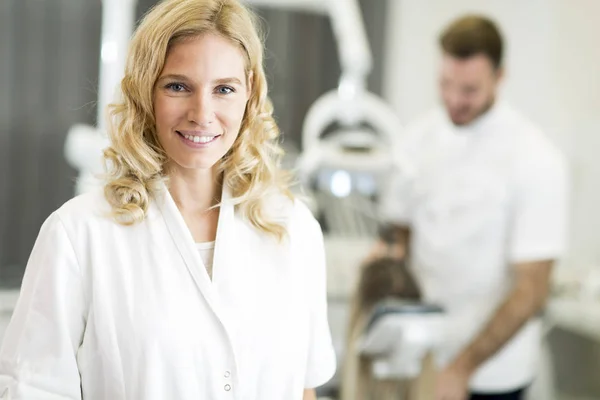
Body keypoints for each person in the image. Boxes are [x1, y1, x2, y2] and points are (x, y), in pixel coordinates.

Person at [0, 0, 336, 399]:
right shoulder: (78, 234)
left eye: (224, 89)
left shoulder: (295, 229)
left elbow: (302, 389)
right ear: (146, 90)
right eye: (178, 86)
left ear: (249, 92)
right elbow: (33, 389)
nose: (202, 113)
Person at [372, 15, 568, 400]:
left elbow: (532, 290)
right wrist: (387, 260)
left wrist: (462, 369)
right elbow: (401, 233)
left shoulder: (535, 158)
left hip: (493, 372)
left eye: (470, 89)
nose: (455, 100)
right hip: (420, 355)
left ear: (500, 76)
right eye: (445, 84)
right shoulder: (417, 140)